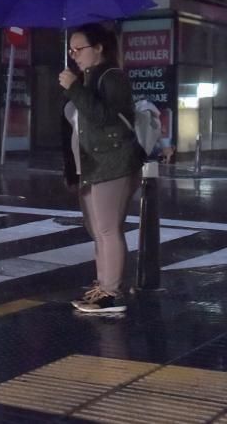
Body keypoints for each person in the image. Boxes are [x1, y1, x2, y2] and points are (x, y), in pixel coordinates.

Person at [59, 23, 144, 314]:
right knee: (98, 230)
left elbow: (104, 119)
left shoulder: (112, 77)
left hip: (114, 163)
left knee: (108, 229)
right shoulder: (88, 78)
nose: (74, 55)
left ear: (99, 49)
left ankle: (111, 293)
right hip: (92, 166)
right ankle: (103, 286)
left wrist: (74, 89)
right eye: (71, 49)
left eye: (79, 48)